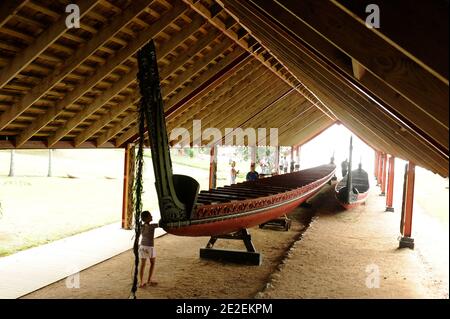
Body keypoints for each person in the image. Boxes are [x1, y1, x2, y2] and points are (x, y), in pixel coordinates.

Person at [139, 210, 159, 288]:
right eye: (150, 216)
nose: (152, 217)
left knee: (143, 265)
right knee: (152, 263)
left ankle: (141, 282)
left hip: (142, 246)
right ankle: (149, 280)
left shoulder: (141, 226)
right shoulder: (152, 226)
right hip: (150, 247)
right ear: (147, 218)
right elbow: (162, 224)